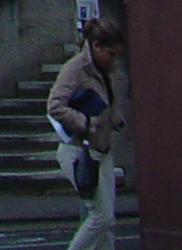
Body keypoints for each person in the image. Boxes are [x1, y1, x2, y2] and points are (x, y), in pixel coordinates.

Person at [48, 20, 125, 250]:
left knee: (107, 222)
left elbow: (106, 103)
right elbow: (55, 106)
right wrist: (87, 123)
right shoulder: (75, 69)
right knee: (100, 218)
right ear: (96, 45)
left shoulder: (104, 70)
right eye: (110, 53)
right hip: (79, 153)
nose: (113, 60)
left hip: (101, 151)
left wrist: (114, 118)